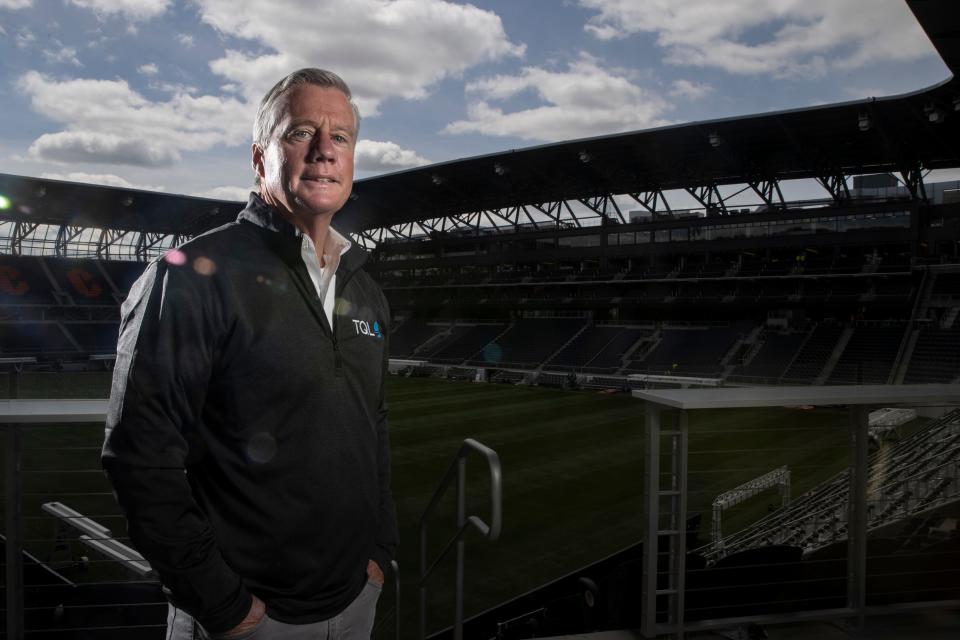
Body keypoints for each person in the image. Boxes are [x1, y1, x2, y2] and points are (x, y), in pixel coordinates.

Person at [102, 68, 398, 639]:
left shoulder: (365, 287)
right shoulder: (185, 279)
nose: (323, 151)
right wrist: (222, 604)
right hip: (248, 619)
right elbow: (140, 457)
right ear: (260, 156)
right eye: (300, 132)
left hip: (356, 600)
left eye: (340, 137)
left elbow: (374, 424)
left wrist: (379, 555)